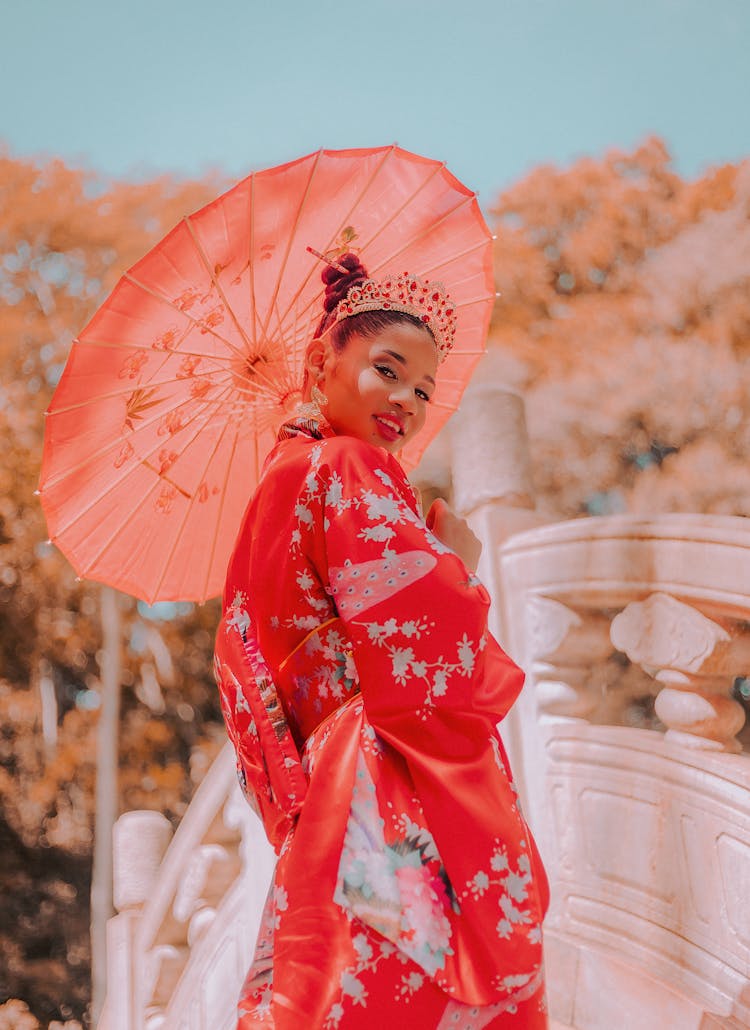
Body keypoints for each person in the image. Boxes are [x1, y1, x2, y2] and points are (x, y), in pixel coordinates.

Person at [215, 253, 550, 1029]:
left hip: (328, 772)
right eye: (387, 370)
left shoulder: (282, 479)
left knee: (336, 978)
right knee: (412, 971)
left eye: (424, 390)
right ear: (318, 364)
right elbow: (420, 627)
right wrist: (457, 566)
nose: (408, 400)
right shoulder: (344, 464)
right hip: (383, 764)